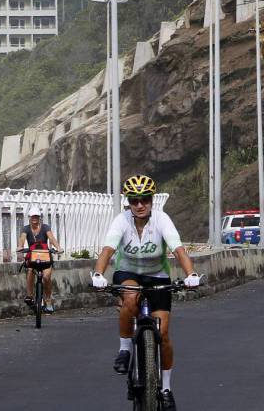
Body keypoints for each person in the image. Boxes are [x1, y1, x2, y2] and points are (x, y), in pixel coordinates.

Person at [91, 175, 200, 411]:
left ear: (152, 200)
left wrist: (191, 274)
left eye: (145, 200)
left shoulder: (162, 219)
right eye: (134, 200)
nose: (140, 205)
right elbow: (108, 250)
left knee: (164, 333)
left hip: (157, 275)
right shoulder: (121, 221)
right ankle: (124, 349)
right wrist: (98, 274)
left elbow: (178, 250)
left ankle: (166, 389)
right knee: (130, 298)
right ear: (128, 202)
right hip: (128, 272)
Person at [19, 205, 62, 313]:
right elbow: (22, 239)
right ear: (29, 217)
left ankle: (48, 300)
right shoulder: (26, 228)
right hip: (33, 257)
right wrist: (20, 247)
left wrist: (58, 247)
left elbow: (51, 238)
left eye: (36, 216)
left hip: (45, 256)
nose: (34, 218)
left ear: (39, 217)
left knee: (46, 277)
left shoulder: (45, 227)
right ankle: (30, 295)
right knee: (30, 270)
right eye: (33, 216)